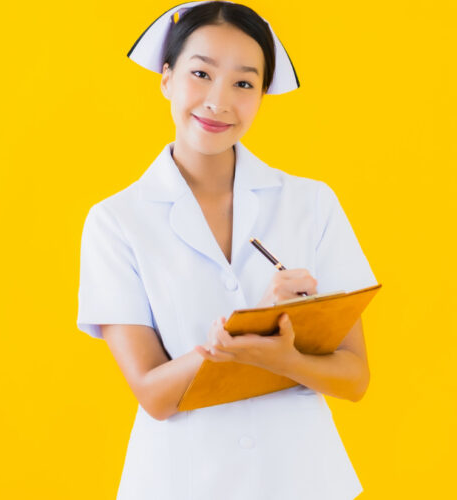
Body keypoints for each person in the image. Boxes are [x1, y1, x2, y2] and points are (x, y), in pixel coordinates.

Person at [76, 2, 377, 498]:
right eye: (201, 74)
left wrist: (283, 356)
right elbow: (154, 394)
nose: (218, 102)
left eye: (243, 83)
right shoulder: (116, 221)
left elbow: (354, 378)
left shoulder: (311, 203)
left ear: (261, 95)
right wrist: (251, 327)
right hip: (180, 480)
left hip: (302, 478)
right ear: (167, 78)